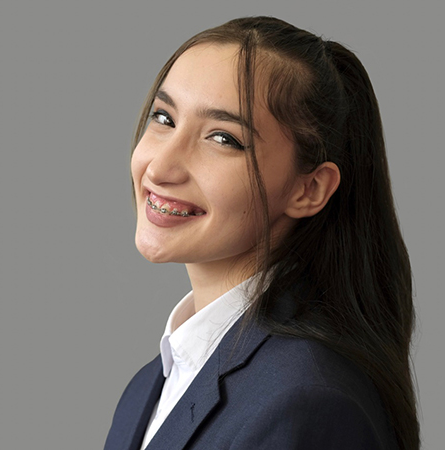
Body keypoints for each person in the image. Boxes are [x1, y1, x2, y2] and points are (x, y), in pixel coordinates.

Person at [104, 16, 419, 450]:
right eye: (164, 117)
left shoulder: (306, 403)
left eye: (223, 138)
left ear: (308, 189)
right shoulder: (149, 388)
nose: (159, 167)